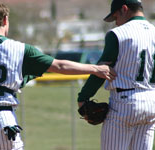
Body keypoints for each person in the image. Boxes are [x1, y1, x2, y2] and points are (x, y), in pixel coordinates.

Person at [0, 2, 116, 150]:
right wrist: (95, 68)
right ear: (5, 21)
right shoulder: (20, 49)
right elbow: (60, 65)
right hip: (4, 121)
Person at [77, 0, 155, 150]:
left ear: (124, 9)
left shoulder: (118, 34)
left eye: (116, 18)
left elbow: (102, 70)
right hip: (152, 103)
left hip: (125, 104)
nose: (116, 23)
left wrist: (83, 97)